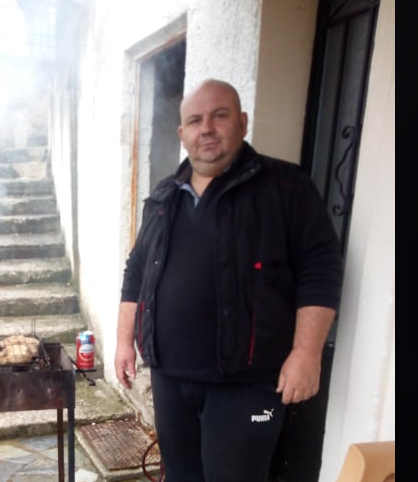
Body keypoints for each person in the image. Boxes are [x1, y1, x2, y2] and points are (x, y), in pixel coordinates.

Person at [114, 79, 343, 482]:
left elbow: (320, 268)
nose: (206, 128)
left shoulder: (285, 188)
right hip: (170, 378)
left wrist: (307, 354)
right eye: (195, 120)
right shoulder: (164, 197)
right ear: (182, 133)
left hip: (246, 384)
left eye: (219, 116)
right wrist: (123, 341)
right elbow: (137, 269)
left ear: (242, 121)